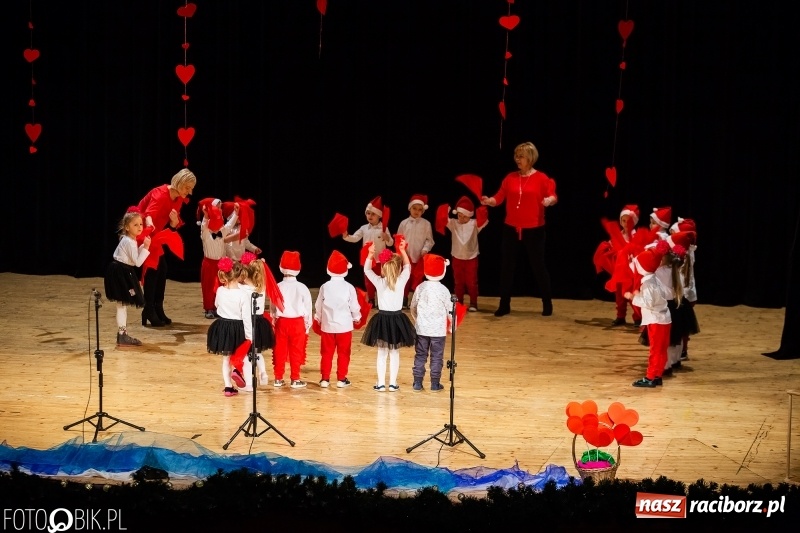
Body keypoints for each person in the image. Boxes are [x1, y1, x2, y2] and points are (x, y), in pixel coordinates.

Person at [481, 141, 557, 317]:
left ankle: (547, 303)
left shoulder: (542, 178)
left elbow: (552, 195)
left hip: (534, 229)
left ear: (530, 158)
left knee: (538, 266)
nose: (517, 159)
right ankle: (504, 304)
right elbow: (499, 197)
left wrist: (549, 201)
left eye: (521, 156)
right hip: (511, 228)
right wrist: (489, 201)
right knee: (507, 266)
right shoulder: (510, 178)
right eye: (516, 156)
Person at [137, 168, 197, 326]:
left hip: (155, 235)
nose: (189, 192)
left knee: (161, 268)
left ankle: (156, 308)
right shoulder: (161, 194)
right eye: (187, 188)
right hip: (141, 231)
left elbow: (172, 226)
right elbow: (148, 215)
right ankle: (149, 309)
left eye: (191, 189)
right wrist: (149, 224)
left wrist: (173, 224)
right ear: (179, 183)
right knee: (154, 267)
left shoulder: (178, 199)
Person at [360, 240, 416, 392]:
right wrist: (403, 251)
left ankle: (380, 384)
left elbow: (366, 270)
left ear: (383, 269)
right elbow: (408, 267)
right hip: (397, 320)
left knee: (382, 353)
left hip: (383, 320)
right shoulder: (401, 280)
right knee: (394, 352)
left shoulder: (379, 282)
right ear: (397, 270)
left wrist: (370, 255)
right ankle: (392, 383)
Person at [313, 250, 362, 389]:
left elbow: (319, 305)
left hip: (328, 326)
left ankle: (325, 379)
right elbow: (354, 305)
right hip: (344, 327)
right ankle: (341, 379)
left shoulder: (324, 286)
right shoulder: (349, 287)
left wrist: (319, 318)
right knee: (344, 353)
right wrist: (356, 317)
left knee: (326, 353)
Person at [103, 207, 151, 347]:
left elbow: (133, 257)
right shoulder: (129, 242)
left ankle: (122, 334)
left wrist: (142, 247)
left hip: (121, 271)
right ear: (127, 227)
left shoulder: (129, 240)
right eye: (135, 225)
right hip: (120, 273)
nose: (139, 227)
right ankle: (122, 335)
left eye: (141, 224)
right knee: (122, 304)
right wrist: (146, 248)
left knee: (122, 304)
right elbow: (137, 262)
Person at [627, 243, 671, 388]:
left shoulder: (648, 284)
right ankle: (657, 375)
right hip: (664, 319)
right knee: (661, 349)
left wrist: (633, 297)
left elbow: (648, 302)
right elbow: (664, 294)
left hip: (656, 320)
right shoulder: (655, 279)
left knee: (655, 350)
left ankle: (650, 377)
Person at [206, 257, 251, 397]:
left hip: (223, 326)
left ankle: (228, 387)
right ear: (239, 275)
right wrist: (250, 335)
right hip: (238, 327)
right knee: (243, 356)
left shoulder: (220, 290)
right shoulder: (243, 294)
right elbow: (246, 317)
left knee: (226, 358)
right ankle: (242, 377)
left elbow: (217, 306)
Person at [233, 252, 277, 391]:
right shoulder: (262, 286)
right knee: (257, 352)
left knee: (247, 353)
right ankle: (263, 372)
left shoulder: (242, 288)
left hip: (247, 322)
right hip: (260, 322)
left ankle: (249, 383)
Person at [409, 254, 452, 392]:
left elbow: (413, 306)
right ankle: (434, 383)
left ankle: (417, 382)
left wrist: (417, 319)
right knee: (437, 356)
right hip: (438, 331)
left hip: (422, 329)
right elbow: (451, 310)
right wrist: (452, 325)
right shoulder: (444, 290)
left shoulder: (421, 287)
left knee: (420, 354)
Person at [593, 204, 642, 326]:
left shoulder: (636, 236)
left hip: (631, 272)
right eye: (623, 220)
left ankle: (638, 317)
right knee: (619, 295)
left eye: (629, 221)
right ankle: (620, 316)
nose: (626, 223)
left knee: (632, 295)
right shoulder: (617, 235)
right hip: (619, 270)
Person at [271, 251, 313, 389]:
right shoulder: (302, 287)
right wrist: (307, 326)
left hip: (282, 322)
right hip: (297, 323)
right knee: (296, 350)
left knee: (279, 350)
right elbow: (308, 308)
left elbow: (273, 305)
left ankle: (278, 378)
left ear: (281, 267)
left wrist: (274, 319)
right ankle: (295, 378)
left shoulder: (278, 286)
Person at [342, 196, 394, 305]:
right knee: (368, 280)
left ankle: (382, 298)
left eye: (373, 214)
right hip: (369, 260)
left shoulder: (384, 228)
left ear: (379, 215)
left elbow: (391, 243)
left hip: (381, 260)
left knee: (382, 279)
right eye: (368, 213)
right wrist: (347, 236)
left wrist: (387, 238)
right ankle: (371, 298)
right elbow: (355, 238)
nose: (370, 216)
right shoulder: (364, 228)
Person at [444, 196, 488, 312]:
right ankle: (459, 303)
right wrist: (446, 210)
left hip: (471, 258)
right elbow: (442, 218)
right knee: (458, 282)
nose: (462, 218)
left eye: (465, 216)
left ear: (470, 215)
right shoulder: (453, 224)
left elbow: (484, 217)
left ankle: (473, 303)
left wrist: (482, 205)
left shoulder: (475, 224)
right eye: (459, 215)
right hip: (457, 258)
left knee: (471, 282)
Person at [198, 199, 238, 319]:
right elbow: (204, 225)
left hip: (221, 263)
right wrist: (205, 216)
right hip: (209, 263)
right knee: (208, 287)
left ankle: (219, 307)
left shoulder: (223, 231)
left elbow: (230, 224)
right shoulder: (205, 232)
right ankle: (209, 308)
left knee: (221, 286)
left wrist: (236, 213)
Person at [396, 194, 435, 307]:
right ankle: (403, 299)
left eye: (419, 209)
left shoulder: (426, 224)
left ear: (423, 211)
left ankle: (416, 301)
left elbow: (430, 240)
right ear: (410, 208)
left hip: (419, 256)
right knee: (405, 278)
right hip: (406, 256)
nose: (417, 211)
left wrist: (425, 249)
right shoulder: (404, 223)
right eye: (414, 208)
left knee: (417, 279)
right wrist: (402, 251)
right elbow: (399, 238)